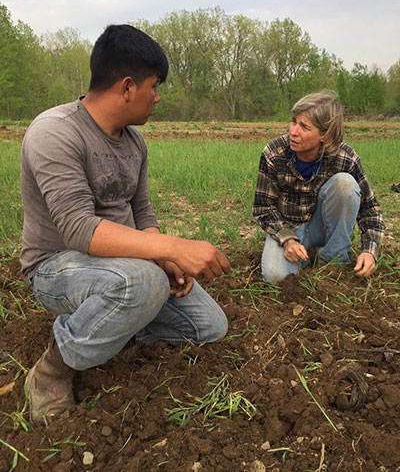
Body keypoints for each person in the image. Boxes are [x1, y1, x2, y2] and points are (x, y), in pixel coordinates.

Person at [20, 24, 230, 425]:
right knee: (141, 282)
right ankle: (52, 371)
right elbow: (79, 229)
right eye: (155, 87)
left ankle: (113, 323)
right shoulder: (55, 131)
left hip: (125, 266)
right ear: (128, 86)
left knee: (208, 326)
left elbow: (143, 215)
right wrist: (171, 249)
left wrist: (166, 260)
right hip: (57, 266)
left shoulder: (134, 142)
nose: (157, 98)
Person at [253, 90, 385, 284]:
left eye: (304, 127)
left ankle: (333, 261)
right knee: (275, 277)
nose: (293, 131)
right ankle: (304, 254)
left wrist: (369, 251)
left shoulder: (346, 158)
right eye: (293, 122)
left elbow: (370, 210)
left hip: (322, 227)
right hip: (288, 227)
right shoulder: (274, 153)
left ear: (325, 135)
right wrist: (287, 239)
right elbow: (263, 207)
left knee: (345, 184)